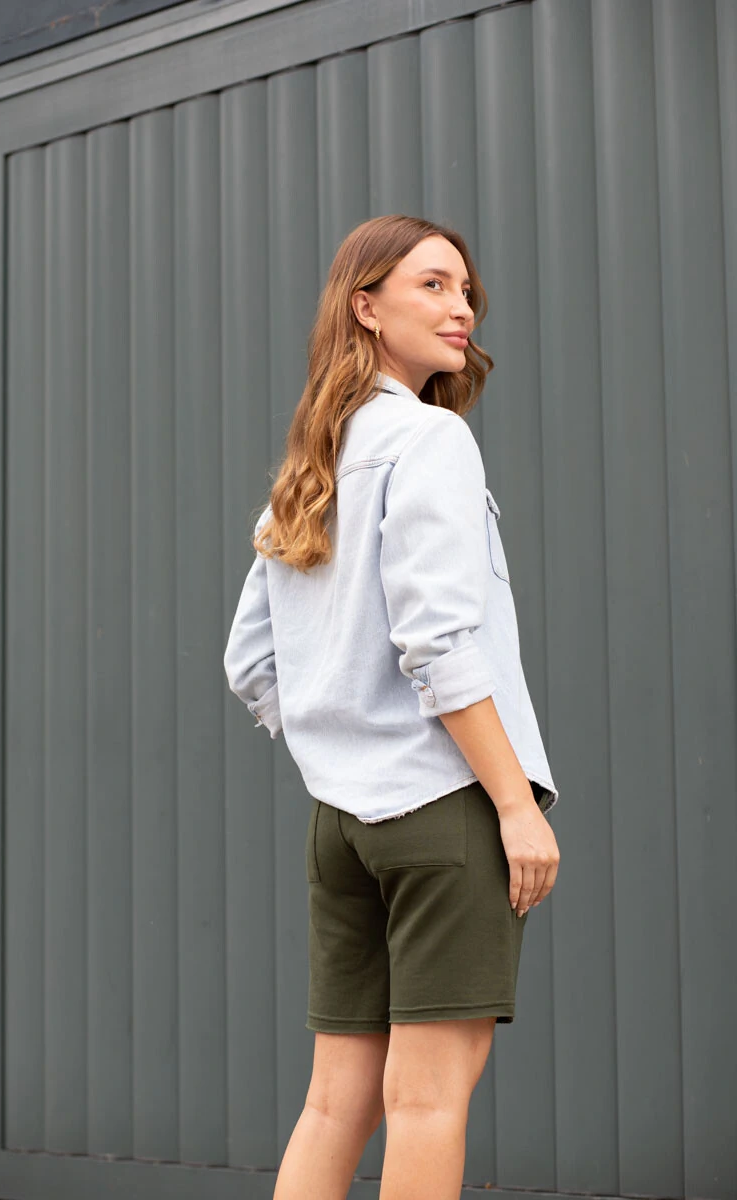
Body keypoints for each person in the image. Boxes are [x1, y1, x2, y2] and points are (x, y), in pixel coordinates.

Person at [222, 214, 561, 1200]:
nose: (462, 308)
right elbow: (440, 640)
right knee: (426, 1102)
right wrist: (512, 805)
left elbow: (251, 662)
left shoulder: (313, 461)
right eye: (432, 286)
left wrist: (340, 738)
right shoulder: (430, 439)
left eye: (466, 291)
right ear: (365, 307)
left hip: (341, 825)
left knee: (334, 1104)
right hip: (442, 809)